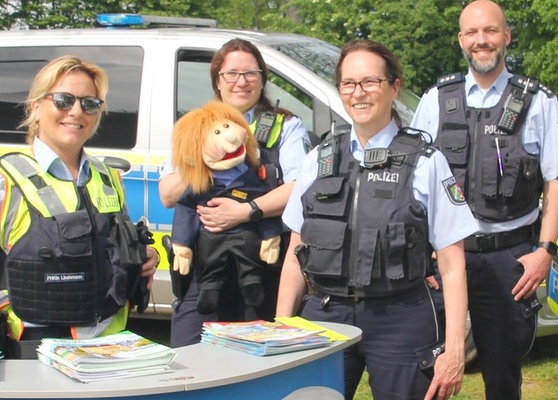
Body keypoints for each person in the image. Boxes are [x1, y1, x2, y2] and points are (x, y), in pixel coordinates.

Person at [0, 55, 159, 359]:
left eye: (90, 103)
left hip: (109, 352)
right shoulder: (0, 183)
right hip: (35, 355)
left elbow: (107, 249)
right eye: (63, 100)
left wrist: (139, 257)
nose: (77, 111)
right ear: (35, 106)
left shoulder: (109, 178)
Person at [276, 39, 477, 400]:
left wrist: (455, 348)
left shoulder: (427, 162)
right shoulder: (319, 159)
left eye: (370, 82)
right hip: (325, 315)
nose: (359, 93)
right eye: (349, 84)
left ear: (394, 87)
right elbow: (295, 251)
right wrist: (281, 327)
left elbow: (451, 263)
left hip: (400, 318)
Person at [410, 1, 558, 398]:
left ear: (506, 36)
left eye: (491, 31)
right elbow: (413, 182)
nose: (482, 41)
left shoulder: (538, 102)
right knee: (427, 367)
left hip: (508, 259)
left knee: (503, 373)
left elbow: (555, 181)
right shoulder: (436, 100)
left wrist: (545, 250)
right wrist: (419, 253)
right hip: (444, 259)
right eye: (472, 33)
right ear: (461, 40)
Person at [159, 38, 311, 348]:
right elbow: (167, 194)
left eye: (251, 73)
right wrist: (205, 158)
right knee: (189, 356)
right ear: (218, 80)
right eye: (231, 73)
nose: (241, 82)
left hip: (260, 269)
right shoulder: (196, 127)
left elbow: (298, 189)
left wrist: (244, 211)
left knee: (255, 363)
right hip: (205, 269)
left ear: (262, 78)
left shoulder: (286, 126)